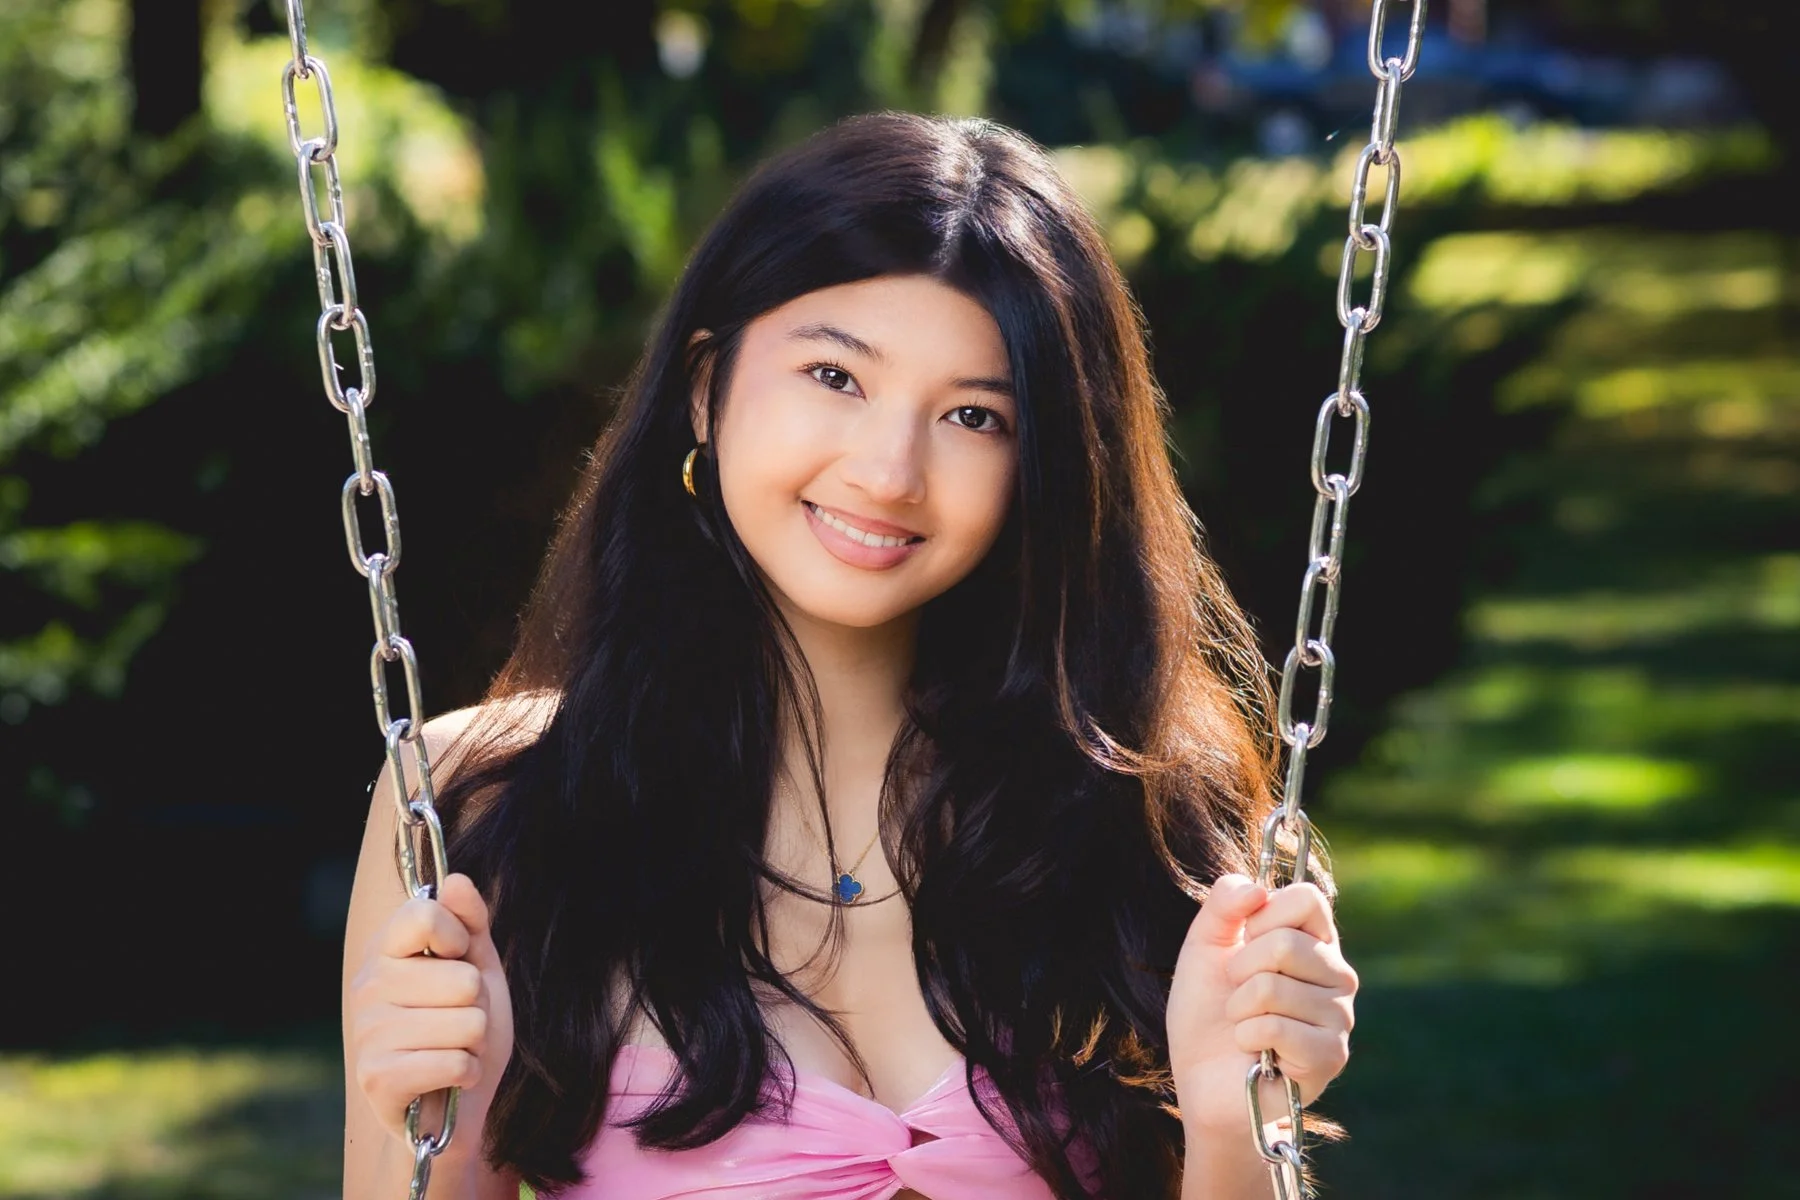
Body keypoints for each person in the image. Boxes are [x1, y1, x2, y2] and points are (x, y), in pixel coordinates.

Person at [341, 111, 1358, 1200]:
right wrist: (431, 1125)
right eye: (835, 376)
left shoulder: (1140, 827)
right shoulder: (493, 813)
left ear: (1046, 468)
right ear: (705, 387)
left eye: (975, 417)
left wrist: (1232, 1126)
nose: (888, 472)